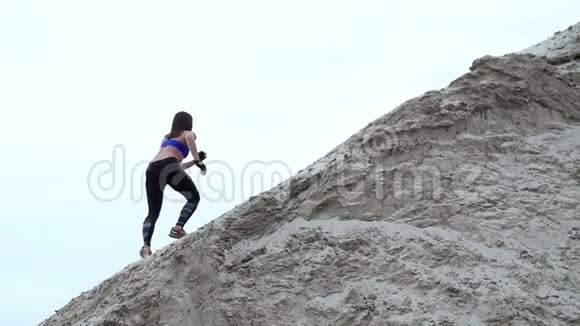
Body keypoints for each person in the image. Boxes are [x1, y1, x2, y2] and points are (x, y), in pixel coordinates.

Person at [140, 111, 207, 259]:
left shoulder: (166, 139)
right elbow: (189, 138)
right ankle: (178, 227)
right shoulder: (188, 134)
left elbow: (177, 166)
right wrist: (198, 161)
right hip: (169, 166)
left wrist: (193, 162)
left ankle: (146, 247)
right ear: (188, 123)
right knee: (193, 197)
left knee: (153, 212)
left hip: (152, 169)